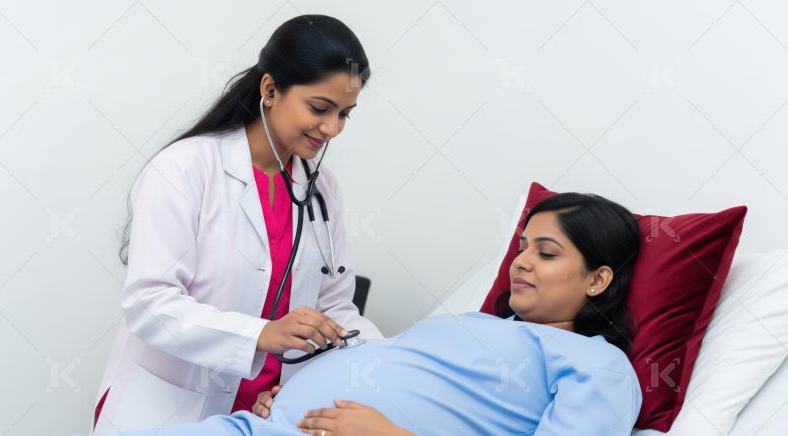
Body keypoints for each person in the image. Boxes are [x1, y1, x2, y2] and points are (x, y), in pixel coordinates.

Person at [99, 192, 643, 435]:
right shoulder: (476, 325)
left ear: (598, 279)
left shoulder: (597, 364)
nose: (521, 263)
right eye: (522, 247)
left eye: (546, 254)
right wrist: (295, 383)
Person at [92, 15, 383, 433]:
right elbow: (149, 304)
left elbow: (335, 308)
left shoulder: (322, 191)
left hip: (265, 415)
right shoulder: (185, 169)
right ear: (270, 89)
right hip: (169, 409)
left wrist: (387, 360)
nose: (332, 128)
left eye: (345, 115)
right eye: (320, 108)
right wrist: (262, 334)